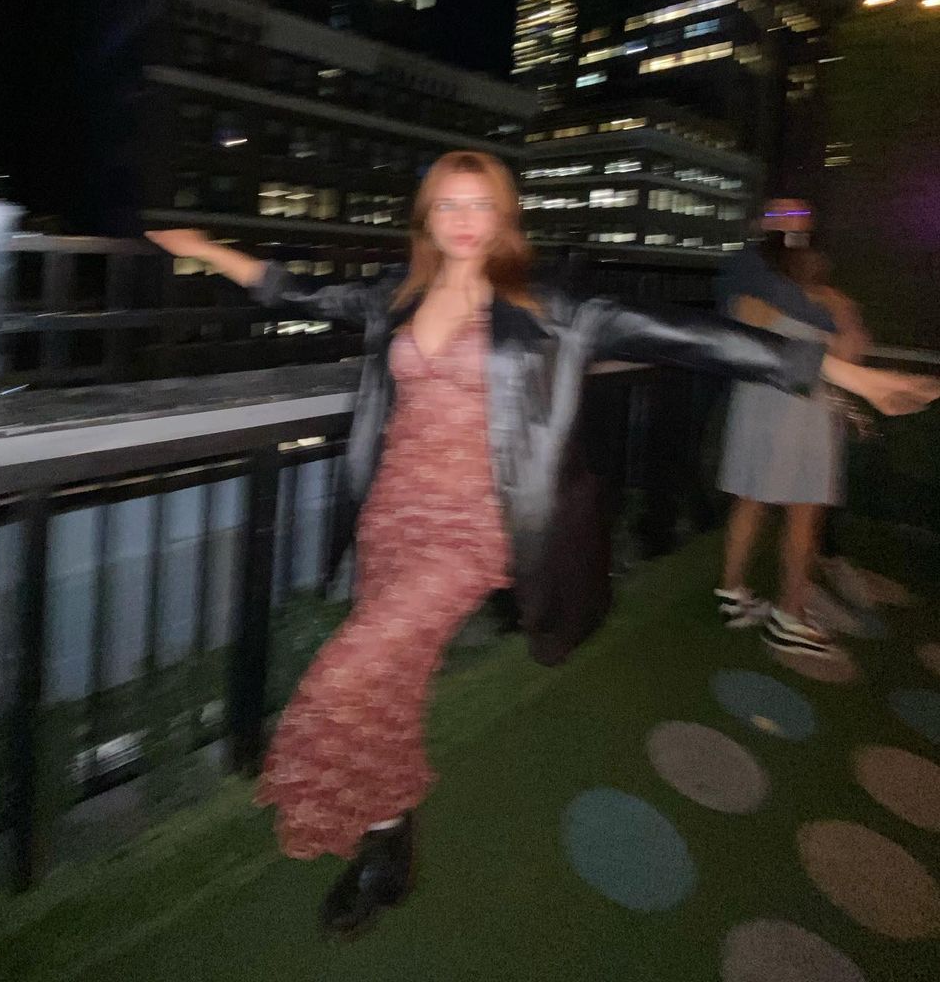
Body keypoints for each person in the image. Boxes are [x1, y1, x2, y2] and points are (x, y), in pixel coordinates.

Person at [146, 152, 938, 937]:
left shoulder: (552, 306)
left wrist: (848, 377)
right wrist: (207, 250)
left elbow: (697, 335)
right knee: (392, 685)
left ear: (504, 217)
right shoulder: (398, 293)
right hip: (391, 515)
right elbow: (298, 291)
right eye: (448, 205)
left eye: (480, 204)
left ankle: (381, 833)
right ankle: (389, 846)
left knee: (350, 671)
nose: (464, 220)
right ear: (427, 218)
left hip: (475, 529)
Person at [717, 240, 872, 655]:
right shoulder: (823, 304)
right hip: (802, 421)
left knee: (750, 500)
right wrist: (841, 310)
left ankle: (733, 595)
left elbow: (736, 340)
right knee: (804, 512)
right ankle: (791, 615)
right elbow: (850, 353)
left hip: (755, 415)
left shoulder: (756, 298)